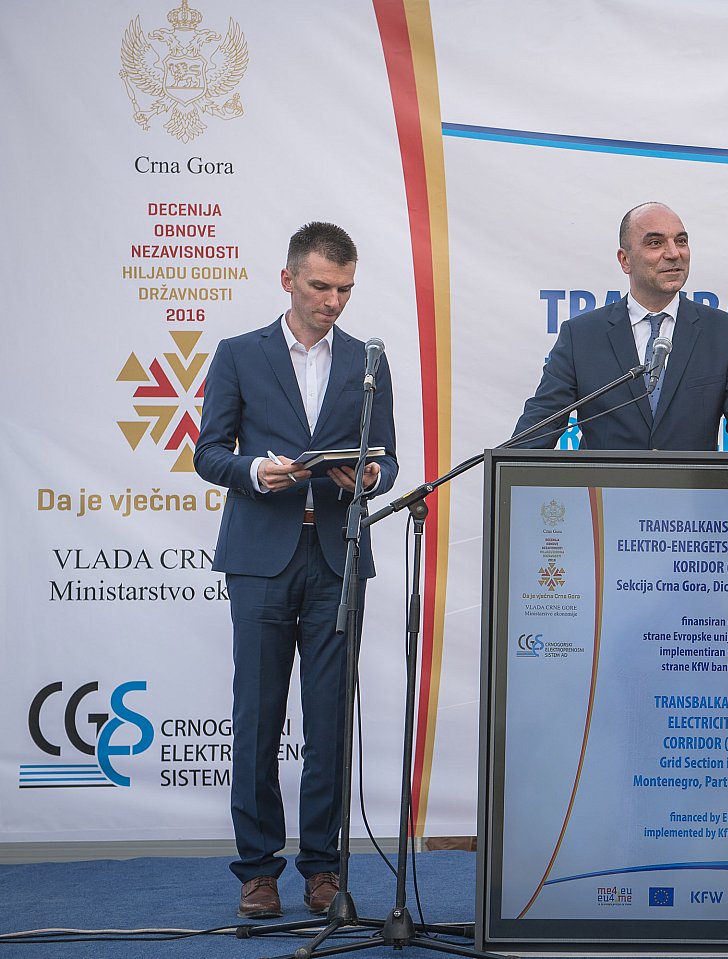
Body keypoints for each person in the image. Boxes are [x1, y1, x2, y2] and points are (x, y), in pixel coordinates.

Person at [194, 222, 399, 918]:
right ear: (288, 280)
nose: (332, 301)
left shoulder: (368, 361)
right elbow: (209, 453)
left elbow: (387, 457)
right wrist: (256, 471)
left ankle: (323, 870)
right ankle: (257, 871)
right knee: (257, 716)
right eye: (319, 286)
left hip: (338, 557)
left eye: (344, 289)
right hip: (261, 559)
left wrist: (370, 475)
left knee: (331, 721)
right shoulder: (239, 354)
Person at [511, 202, 728, 451]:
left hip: (691, 485)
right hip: (604, 485)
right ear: (625, 260)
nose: (673, 253)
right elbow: (537, 430)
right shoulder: (581, 337)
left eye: (681, 241)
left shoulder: (724, 334)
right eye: (655, 243)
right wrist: (509, 468)